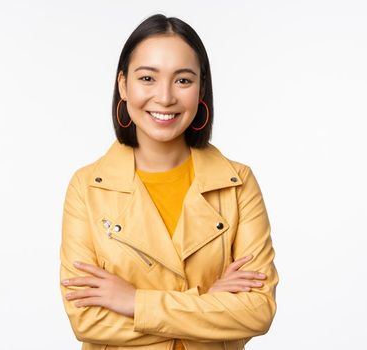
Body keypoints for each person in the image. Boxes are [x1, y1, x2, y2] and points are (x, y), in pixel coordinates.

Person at [59, 14, 278, 350]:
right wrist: (208, 301)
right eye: (147, 78)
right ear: (123, 85)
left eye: (183, 81)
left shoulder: (237, 183)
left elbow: (257, 310)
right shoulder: (88, 187)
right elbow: (87, 320)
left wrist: (134, 302)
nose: (164, 97)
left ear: (201, 87)